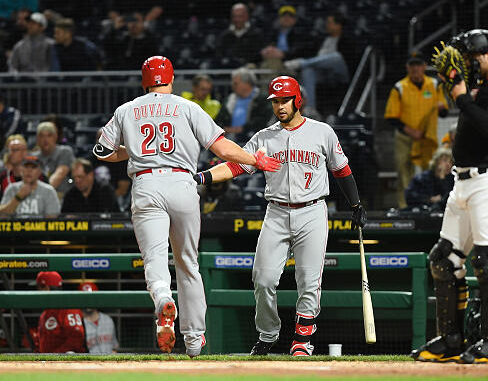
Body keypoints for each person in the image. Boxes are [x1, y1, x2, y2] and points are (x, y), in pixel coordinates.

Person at [93, 55, 281, 357]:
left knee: (154, 257)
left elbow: (102, 151)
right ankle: (193, 341)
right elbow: (221, 148)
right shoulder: (188, 106)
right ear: (171, 78)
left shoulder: (126, 110)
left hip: (146, 184)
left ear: (144, 80)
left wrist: (137, 152)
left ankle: (163, 299)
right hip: (182, 183)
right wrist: (254, 159)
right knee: (188, 263)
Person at [194, 76, 367, 356]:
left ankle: (303, 340)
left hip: (312, 210)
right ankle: (268, 334)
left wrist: (356, 205)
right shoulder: (264, 137)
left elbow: (341, 170)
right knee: (262, 279)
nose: (279, 106)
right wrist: (202, 177)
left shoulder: (322, 132)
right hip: (276, 212)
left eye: (284, 100)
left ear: (297, 100)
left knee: (309, 280)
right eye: (275, 101)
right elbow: (235, 166)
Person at [411, 29, 488, 364]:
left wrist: (463, 97)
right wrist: (463, 90)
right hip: (461, 183)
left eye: (471, 58)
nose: (466, 65)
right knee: (443, 260)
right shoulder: (479, 86)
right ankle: (451, 340)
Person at [383, 52, 448, 209]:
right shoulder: (400, 87)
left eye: (418, 65)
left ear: (424, 67)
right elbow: (391, 117)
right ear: (407, 67)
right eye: (412, 65)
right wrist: (411, 131)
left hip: (427, 138)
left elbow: (444, 112)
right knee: (404, 171)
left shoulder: (434, 84)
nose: (415, 69)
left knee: (432, 170)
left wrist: (441, 108)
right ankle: (405, 206)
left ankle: (432, 205)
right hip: (405, 137)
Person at [283, 11, 359, 114]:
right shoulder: (322, 38)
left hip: (339, 73)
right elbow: (306, 49)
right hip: (321, 73)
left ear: (338, 25)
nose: (327, 25)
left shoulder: (348, 40)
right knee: (308, 70)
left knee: (336, 57)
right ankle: (310, 108)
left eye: (329, 23)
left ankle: (301, 63)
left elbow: (348, 61)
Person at [36, 271, 86, 353]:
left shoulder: (68, 309)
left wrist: (53, 357)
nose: (37, 292)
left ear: (46, 288)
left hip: (66, 363)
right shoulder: (45, 313)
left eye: (39, 288)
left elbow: (76, 341)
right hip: (47, 363)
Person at [260, 5, 312, 76]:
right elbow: (265, 46)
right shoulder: (273, 33)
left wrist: (283, 54)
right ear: (279, 19)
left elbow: (301, 51)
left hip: (291, 62)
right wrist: (264, 51)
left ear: (295, 19)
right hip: (271, 59)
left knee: (273, 64)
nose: (286, 18)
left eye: (290, 16)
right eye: (283, 16)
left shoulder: (300, 33)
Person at [217, 67, 271, 135]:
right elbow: (220, 119)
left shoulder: (262, 99)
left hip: (255, 138)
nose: (232, 86)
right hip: (230, 139)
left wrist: (244, 129)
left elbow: (264, 119)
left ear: (247, 83)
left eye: (235, 83)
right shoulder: (230, 99)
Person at [32, 121, 75, 197]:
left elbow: (59, 175)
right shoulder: (33, 157)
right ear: (37, 139)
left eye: (49, 135)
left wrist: (40, 196)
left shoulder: (65, 152)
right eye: (42, 136)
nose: (45, 140)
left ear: (55, 137)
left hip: (60, 196)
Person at [215, 3, 263, 67]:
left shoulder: (256, 34)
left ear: (247, 17)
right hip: (229, 68)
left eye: (240, 16)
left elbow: (258, 55)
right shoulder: (224, 35)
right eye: (234, 16)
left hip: (250, 69)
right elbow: (219, 54)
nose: (237, 19)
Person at [78, 282, 119, 354]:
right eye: (85, 298)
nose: (88, 301)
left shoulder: (108, 320)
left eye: (91, 298)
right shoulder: (78, 323)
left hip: (109, 363)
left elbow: (114, 348)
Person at [0, 134, 28, 199]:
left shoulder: (37, 176)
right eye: (9, 150)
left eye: (15, 150)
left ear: (24, 152)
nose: (10, 153)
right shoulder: (2, 177)